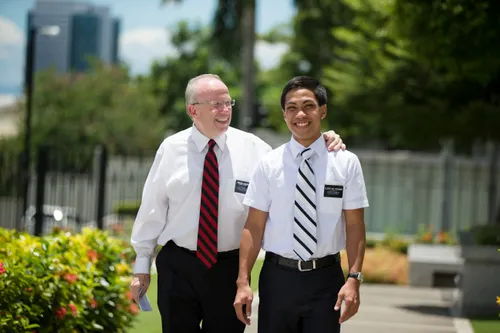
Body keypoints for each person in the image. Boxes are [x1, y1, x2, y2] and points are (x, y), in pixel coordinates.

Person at [129, 73, 346, 333]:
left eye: (227, 103)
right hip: (178, 267)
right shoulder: (170, 148)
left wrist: (322, 140)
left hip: (230, 269)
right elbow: (152, 209)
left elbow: (292, 162)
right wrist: (142, 265)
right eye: (215, 104)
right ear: (192, 110)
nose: (224, 110)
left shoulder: (256, 150)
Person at [234, 76, 369, 333]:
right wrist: (243, 281)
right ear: (284, 115)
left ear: (323, 110)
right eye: (292, 108)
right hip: (277, 279)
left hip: (326, 280)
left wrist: (354, 279)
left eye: (309, 106)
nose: (301, 114)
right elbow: (253, 226)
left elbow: (355, 225)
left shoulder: (346, 163)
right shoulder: (268, 164)